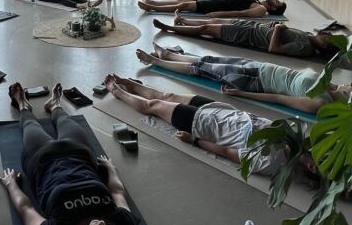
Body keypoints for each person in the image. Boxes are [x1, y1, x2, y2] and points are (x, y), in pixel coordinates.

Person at [0, 82, 139, 225]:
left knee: (30, 125)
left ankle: (22, 103)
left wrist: (11, 185)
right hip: (80, 153)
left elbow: (26, 209)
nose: (101, 224)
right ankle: (54, 105)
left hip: (42, 160)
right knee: (64, 119)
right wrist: (111, 169)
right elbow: (117, 192)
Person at [104, 74, 313, 175]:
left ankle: (117, 91)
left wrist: (194, 140)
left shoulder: (273, 164)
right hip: (220, 110)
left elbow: (229, 153)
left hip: (204, 125)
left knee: (155, 105)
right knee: (166, 95)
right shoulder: (293, 133)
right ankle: (130, 84)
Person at [134, 45, 349, 115]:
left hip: (255, 81)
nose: (350, 84)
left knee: (201, 69)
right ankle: (170, 55)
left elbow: (278, 98)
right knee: (211, 59)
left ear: (349, 97)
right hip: (262, 67)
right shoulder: (328, 83)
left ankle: (156, 62)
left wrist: (242, 94)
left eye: (351, 88)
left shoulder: (319, 103)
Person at [155, 12, 339, 59]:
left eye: (328, 37)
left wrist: (278, 29)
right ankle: (183, 21)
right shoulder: (307, 36)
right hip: (254, 26)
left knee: (205, 29)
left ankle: (170, 28)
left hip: (248, 35)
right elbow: (280, 32)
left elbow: (274, 49)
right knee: (213, 21)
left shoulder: (305, 47)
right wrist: (273, 26)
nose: (327, 33)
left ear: (323, 46)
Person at [137, 0, 286, 17]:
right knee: (182, 0)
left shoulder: (260, 9)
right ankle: (152, 1)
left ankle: (151, 8)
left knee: (183, 7)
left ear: (274, 8)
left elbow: (242, 14)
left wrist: (219, 14)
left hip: (215, 7)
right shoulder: (259, 2)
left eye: (276, 2)